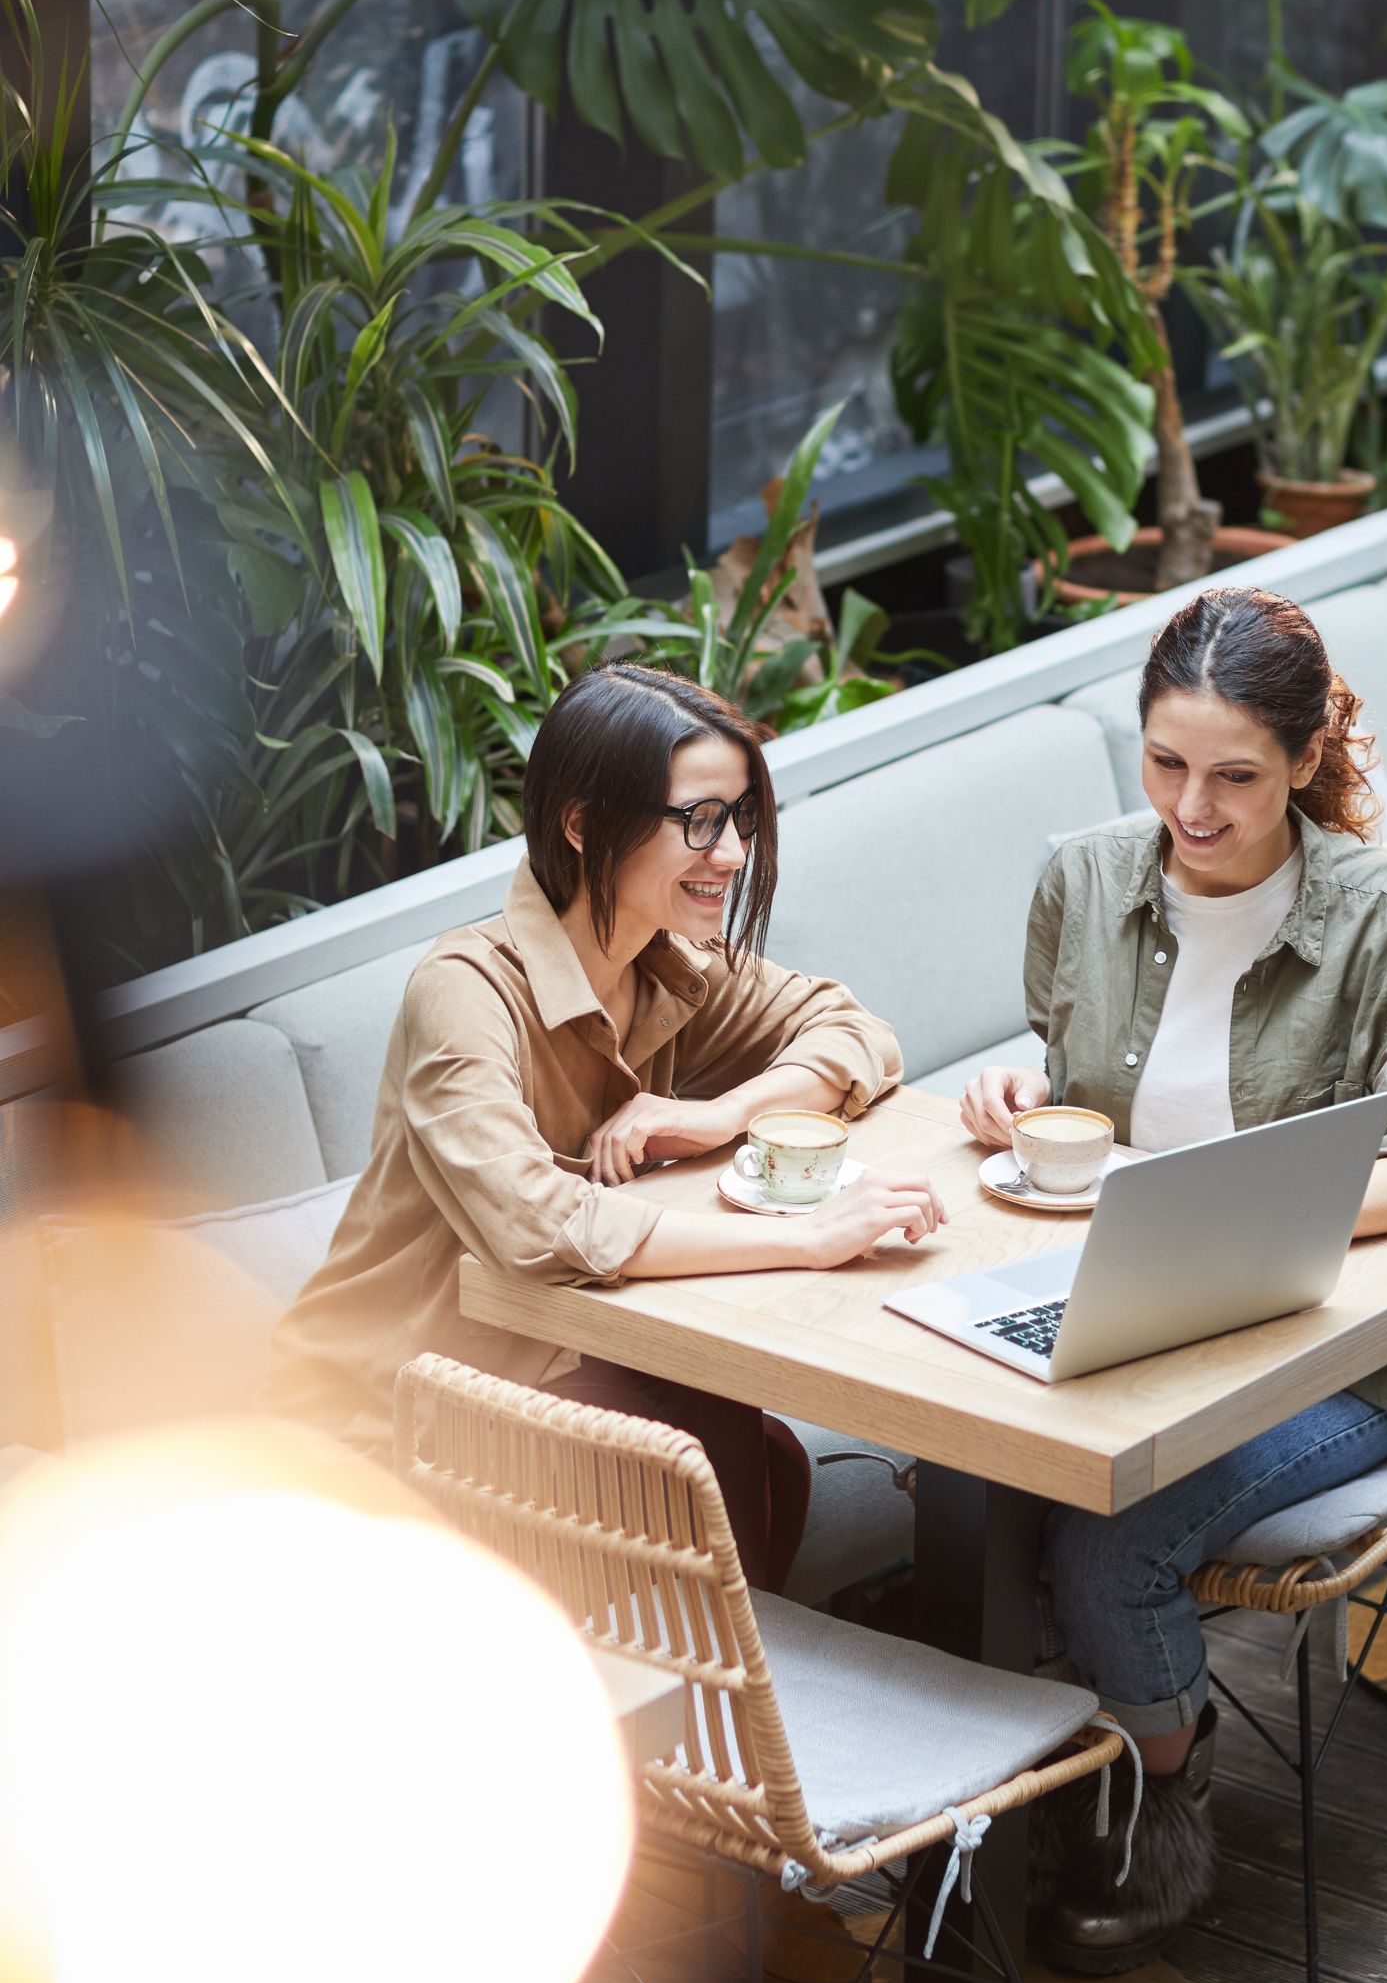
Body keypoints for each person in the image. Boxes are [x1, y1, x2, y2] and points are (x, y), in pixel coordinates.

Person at [961, 588, 1387, 1974]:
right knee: (957, 1483)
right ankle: (1000, 1812)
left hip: (1334, 1356)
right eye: (1166, 764)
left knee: (1108, 1541)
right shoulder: (1080, 879)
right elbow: (1068, 1091)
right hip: (1121, 1316)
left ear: (1308, 761)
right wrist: (1016, 1094)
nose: (1193, 807)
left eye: (1237, 776)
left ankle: (1160, 1806)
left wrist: (1258, 1223)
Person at [267, 664, 944, 1588]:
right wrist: (809, 1239)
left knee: (757, 1457)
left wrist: (721, 1112)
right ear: (582, 822)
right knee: (706, 1454)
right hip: (391, 1415)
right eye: (699, 821)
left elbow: (858, 1033)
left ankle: (732, 1707)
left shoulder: (673, 962)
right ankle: (711, 1715)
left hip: (562, 1365)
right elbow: (540, 1222)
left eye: (741, 817)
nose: (734, 853)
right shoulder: (466, 991)